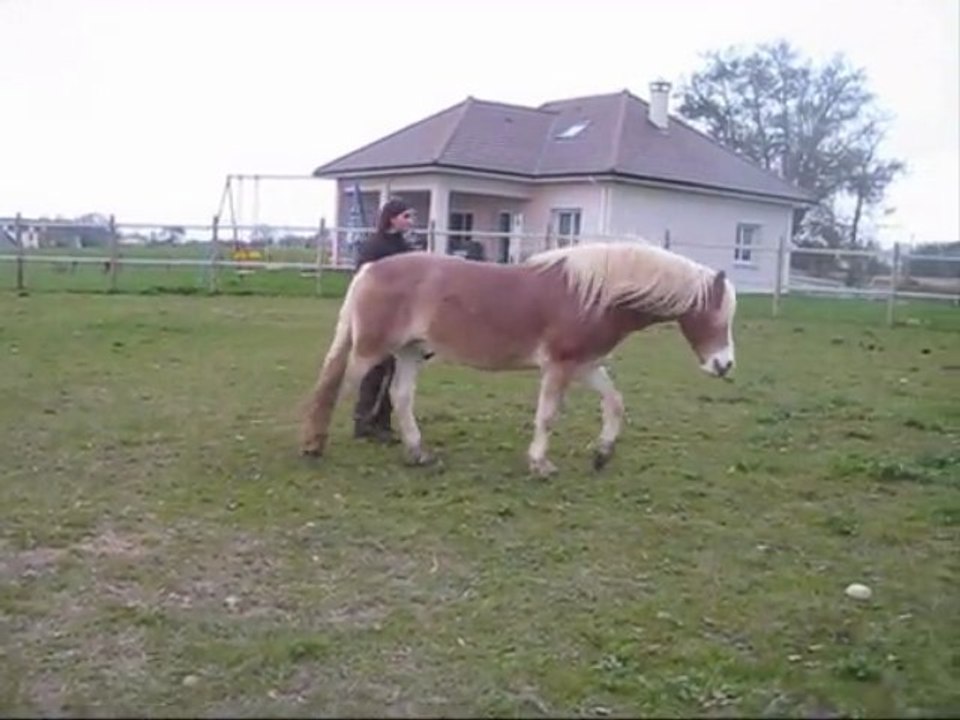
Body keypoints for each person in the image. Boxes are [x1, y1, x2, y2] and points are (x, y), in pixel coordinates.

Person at [352, 197, 416, 442]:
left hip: (400, 315)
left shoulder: (403, 247)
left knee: (395, 369)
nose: (409, 222)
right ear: (392, 219)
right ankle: (366, 421)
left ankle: (382, 422)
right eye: (405, 217)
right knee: (377, 367)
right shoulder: (376, 247)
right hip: (380, 314)